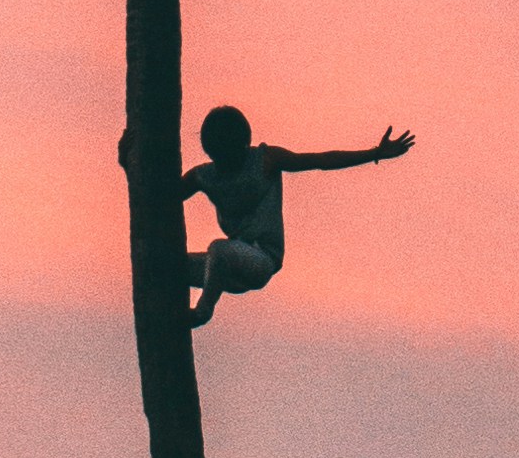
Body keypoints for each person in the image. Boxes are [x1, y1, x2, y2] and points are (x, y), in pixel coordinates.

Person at [167, 104, 415, 327]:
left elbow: (322, 160)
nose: (226, 164)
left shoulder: (265, 160)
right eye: (219, 157)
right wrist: (129, 160)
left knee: (219, 250)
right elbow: (157, 200)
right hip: (223, 272)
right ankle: (168, 324)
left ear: (242, 146)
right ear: (210, 152)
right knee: (167, 266)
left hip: (261, 260)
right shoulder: (203, 176)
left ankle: (201, 313)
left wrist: (375, 153)